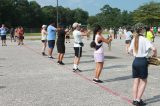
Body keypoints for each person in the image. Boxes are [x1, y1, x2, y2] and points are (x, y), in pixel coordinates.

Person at [129, 27, 157, 106]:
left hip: (135, 61)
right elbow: (154, 49)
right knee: (143, 81)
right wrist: (154, 55)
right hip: (142, 61)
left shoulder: (134, 39)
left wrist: (134, 55)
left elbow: (129, 50)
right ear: (142, 30)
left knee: (136, 81)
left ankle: (134, 99)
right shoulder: (145, 39)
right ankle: (138, 100)